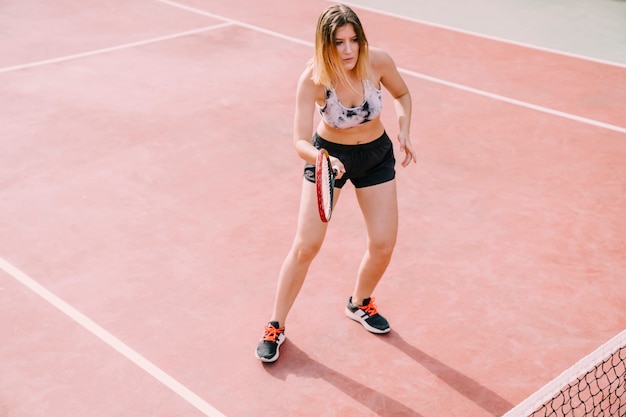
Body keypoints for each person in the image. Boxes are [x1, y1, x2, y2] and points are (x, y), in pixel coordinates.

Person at [255, 3, 416, 363]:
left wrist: (403, 129)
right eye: (338, 42)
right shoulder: (313, 79)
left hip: (376, 156)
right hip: (328, 160)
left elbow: (402, 94)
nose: (347, 50)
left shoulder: (378, 62)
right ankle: (275, 326)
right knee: (306, 246)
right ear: (324, 44)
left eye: (353, 40)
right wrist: (320, 159)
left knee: (384, 244)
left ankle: (359, 303)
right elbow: (298, 141)